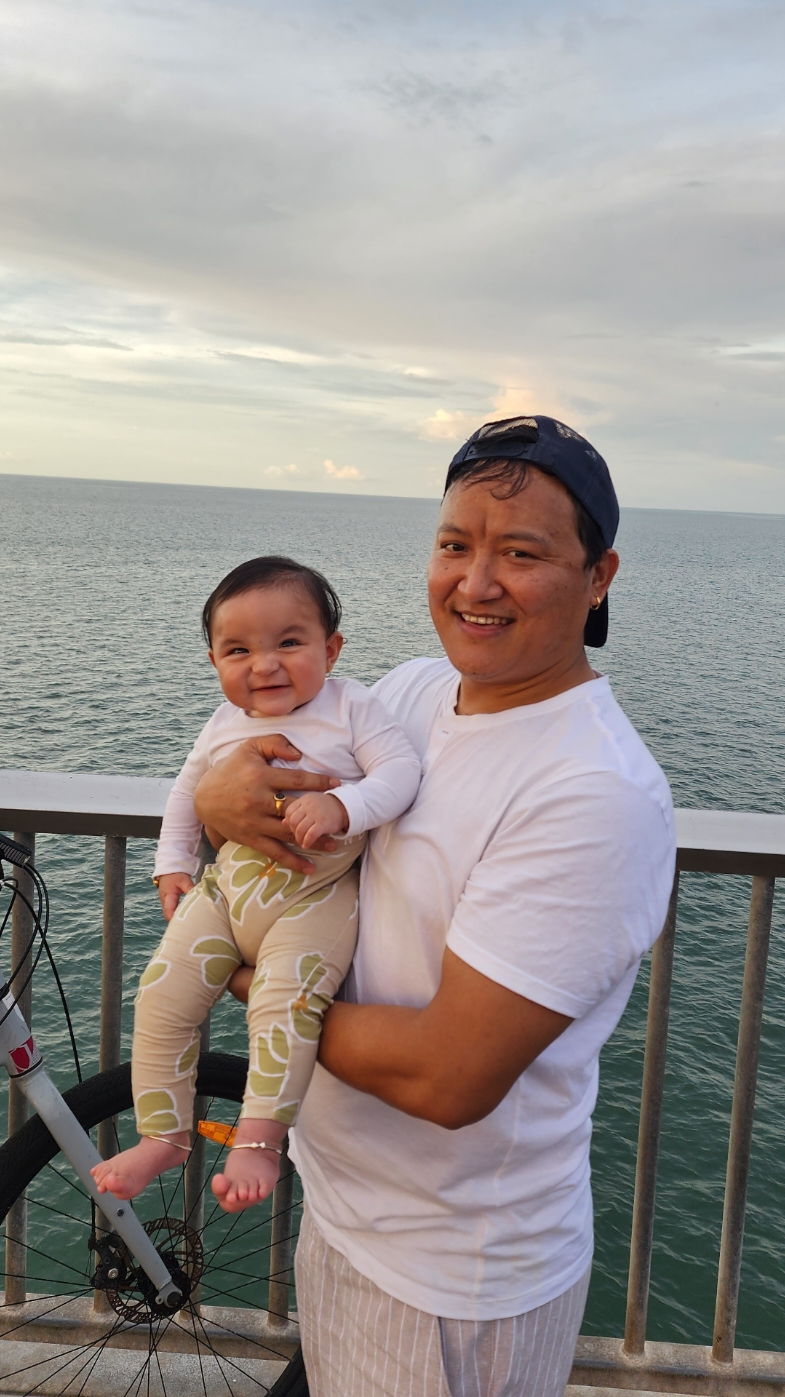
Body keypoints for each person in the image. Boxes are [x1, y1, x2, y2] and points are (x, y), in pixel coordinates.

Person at [193, 416, 676, 1397]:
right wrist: (211, 801)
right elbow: (257, 794)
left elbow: (447, 1076)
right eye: (454, 543)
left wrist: (242, 975)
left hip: (449, 1280)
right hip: (347, 1210)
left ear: (598, 575)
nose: (475, 581)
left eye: (520, 552)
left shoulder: (589, 789)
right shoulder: (413, 694)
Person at [91, 555, 421, 1209]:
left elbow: (401, 770)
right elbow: (188, 792)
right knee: (159, 996)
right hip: (226, 891)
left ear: (331, 648)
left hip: (313, 896)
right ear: (214, 660)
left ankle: (259, 1142)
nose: (263, 664)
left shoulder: (351, 705)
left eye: (288, 643)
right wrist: (172, 863)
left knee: (283, 1004)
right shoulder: (222, 723)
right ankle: (164, 1133)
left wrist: (342, 807)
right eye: (237, 649)